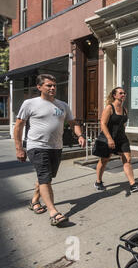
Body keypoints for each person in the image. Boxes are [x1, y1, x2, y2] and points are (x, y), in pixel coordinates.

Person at [14, 74, 86, 227]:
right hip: (37, 146)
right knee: (45, 177)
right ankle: (54, 213)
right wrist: (19, 148)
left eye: (54, 85)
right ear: (39, 87)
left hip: (56, 147)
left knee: (46, 177)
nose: (53, 88)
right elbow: (18, 126)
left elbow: (73, 123)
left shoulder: (62, 105)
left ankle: (34, 201)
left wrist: (79, 135)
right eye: (49, 85)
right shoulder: (30, 103)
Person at [94, 87, 138, 193]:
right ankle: (98, 181)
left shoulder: (124, 110)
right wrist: (109, 138)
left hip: (122, 138)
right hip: (109, 138)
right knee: (104, 161)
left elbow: (123, 124)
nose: (123, 95)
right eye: (120, 93)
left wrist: (122, 135)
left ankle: (133, 184)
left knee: (127, 160)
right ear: (114, 95)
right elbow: (103, 124)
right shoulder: (109, 108)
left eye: (124, 93)